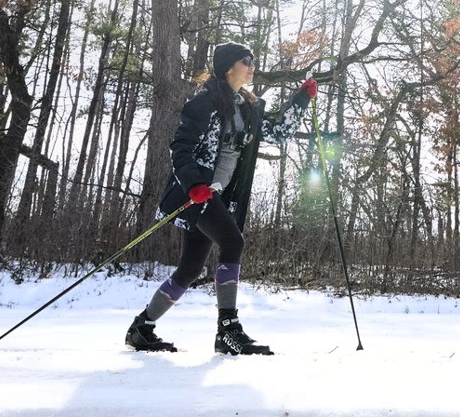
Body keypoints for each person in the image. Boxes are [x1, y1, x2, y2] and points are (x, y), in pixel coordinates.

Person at [125, 42, 316, 356]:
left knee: (189, 269)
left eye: (253, 61)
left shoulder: (247, 107)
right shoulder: (205, 104)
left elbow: (279, 133)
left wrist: (301, 99)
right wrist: (194, 184)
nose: (252, 66)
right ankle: (227, 329)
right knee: (233, 242)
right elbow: (181, 147)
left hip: (217, 196)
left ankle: (141, 328)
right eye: (246, 61)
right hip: (199, 194)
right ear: (229, 67)